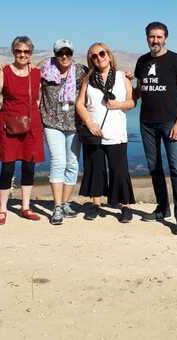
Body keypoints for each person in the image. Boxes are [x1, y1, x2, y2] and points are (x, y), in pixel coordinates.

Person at [133, 21, 177, 235]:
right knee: (154, 167)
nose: (155, 40)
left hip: (170, 123)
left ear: (165, 38)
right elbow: (139, 91)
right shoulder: (142, 61)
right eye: (151, 36)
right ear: (146, 37)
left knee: (176, 169)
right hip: (146, 123)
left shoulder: (176, 60)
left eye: (159, 37)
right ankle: (162, 208)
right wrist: (126, 84)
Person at [76, 42, 136, 223]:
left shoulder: (121, 77)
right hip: (94, 132)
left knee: (119, 170)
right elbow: (80, 104)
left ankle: (124, 206)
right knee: (95, 169)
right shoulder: (88, 79)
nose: (98, 58)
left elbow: (131, 102)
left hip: (116, 132)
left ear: (109, 55)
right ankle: (95, 204)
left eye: (101, 54)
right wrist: (88, 122)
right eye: (93, 56)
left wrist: (118, 104)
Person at [0, 36, 45, 224]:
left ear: (31, 53)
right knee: (7, 168)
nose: (22, 54)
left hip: (31, 125)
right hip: (9, 125)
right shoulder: (4, 72)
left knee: (29, 167)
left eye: (26, 51)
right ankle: (2, 209)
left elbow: (39, 98)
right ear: (13, 52)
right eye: (18, 51)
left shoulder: (37, 73)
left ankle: (25, 207)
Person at [39, 39, 87, 225]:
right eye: (60, 53)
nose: (64, 56)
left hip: (75, 124)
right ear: (55, 54)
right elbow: (28, 77)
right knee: (58, 161)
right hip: (52, 123)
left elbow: (102, 74)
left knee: (73, 163)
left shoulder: (81, 71)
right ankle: (57, 207)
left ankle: (66, 203)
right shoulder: (45, 69)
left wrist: (126, 76)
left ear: (72, 54)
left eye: (67, 53)